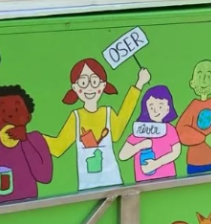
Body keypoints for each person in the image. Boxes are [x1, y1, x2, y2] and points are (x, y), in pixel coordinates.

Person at [45, 59, 151, 191]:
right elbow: (58, 147)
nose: (89, 87)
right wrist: (31, 137)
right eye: (83, 82)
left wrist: (139, 84)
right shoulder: (76, 117)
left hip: (113, 181)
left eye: (94, 82)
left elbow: (120, 126)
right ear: (75, 88)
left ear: (102, 85)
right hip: (87, 186)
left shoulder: (107, 113)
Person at [0, 86, 53, 205]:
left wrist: (25, 141)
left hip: (29, 206)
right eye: (3, 112)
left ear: (28, 117)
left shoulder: (35, 139)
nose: (10, 116)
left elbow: (45, 177)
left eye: (16, 109)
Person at [119, 85, 182, 182]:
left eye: (160, 106)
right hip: (143, 182)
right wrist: (141, 145)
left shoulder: (169, 130)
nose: (155, 110)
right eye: (151, 107)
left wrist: (157, 163)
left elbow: (176, 152)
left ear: (168, 108)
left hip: (168, 179)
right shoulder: (141, 130)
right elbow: (123, 155)